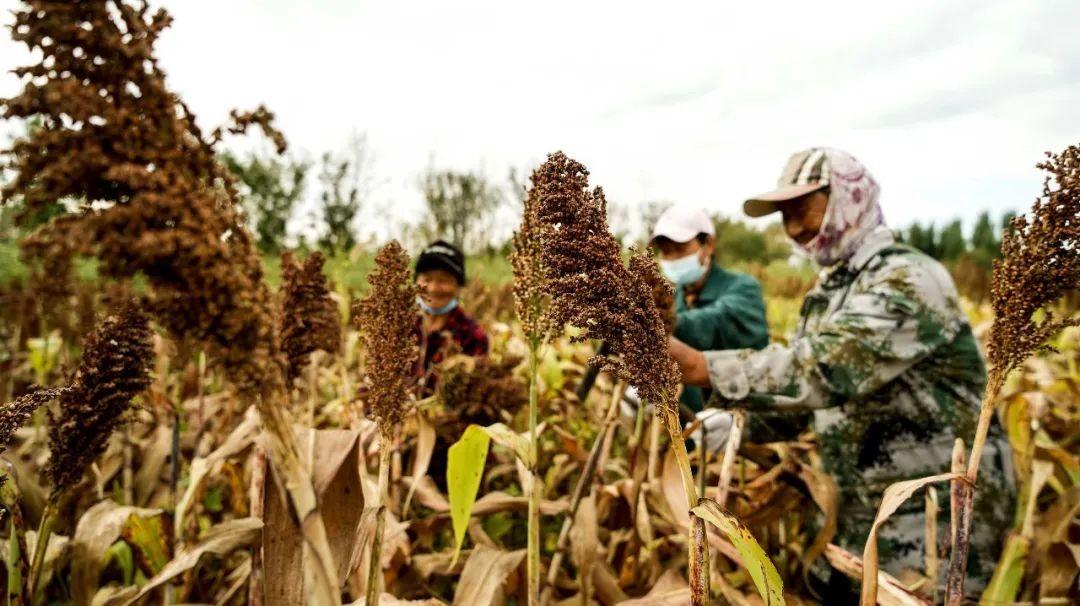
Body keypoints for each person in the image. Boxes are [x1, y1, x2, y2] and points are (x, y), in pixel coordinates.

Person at [666, 148, 1013, 595]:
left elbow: (823, 369)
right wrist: (728, 423)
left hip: (933, 520)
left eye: (803, 210)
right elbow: (812, 406)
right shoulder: (832, 291)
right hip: (862, 514)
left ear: (850, 197)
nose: (794, 229)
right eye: (784, 216)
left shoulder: (906, 279)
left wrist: (698, 365)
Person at [413, 240, 488, 390]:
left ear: (459, 286)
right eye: (426, 279)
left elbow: (474, 396)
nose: (433, 288)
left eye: (444, 280)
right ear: (415, 282)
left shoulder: (472, 336)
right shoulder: (396, 326)